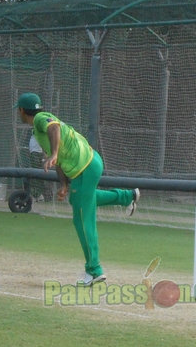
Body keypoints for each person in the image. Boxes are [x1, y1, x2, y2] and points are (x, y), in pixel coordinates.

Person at [15, 92, 139, 286]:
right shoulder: (39, 129)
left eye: (19, 111)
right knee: (78, 200)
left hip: (86, 167)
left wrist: (54, 153)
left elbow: (54, 129)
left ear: (22, 111)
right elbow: (60, 159)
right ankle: (126, 196)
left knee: (82, 219)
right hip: (89, 163)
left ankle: (94, 270)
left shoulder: (41, 119)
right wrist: (64, 185)